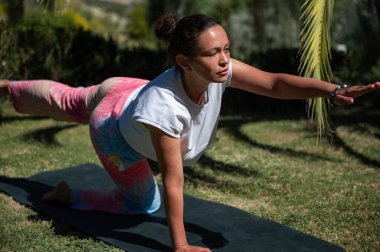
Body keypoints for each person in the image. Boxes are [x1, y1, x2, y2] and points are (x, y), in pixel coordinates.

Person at [1, 13, 379, 252]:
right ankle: (70, 197)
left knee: (68, 99)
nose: (225, 59)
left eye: (227, 49)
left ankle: (6, 87)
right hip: (114, 128)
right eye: (213, 53)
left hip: (124, 90)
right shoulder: (165, 108)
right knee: (142, 205)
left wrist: (332, 89)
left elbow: (275, 83)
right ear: (184, 62)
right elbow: (174, 181)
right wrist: (180, 246)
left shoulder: (213, 70)